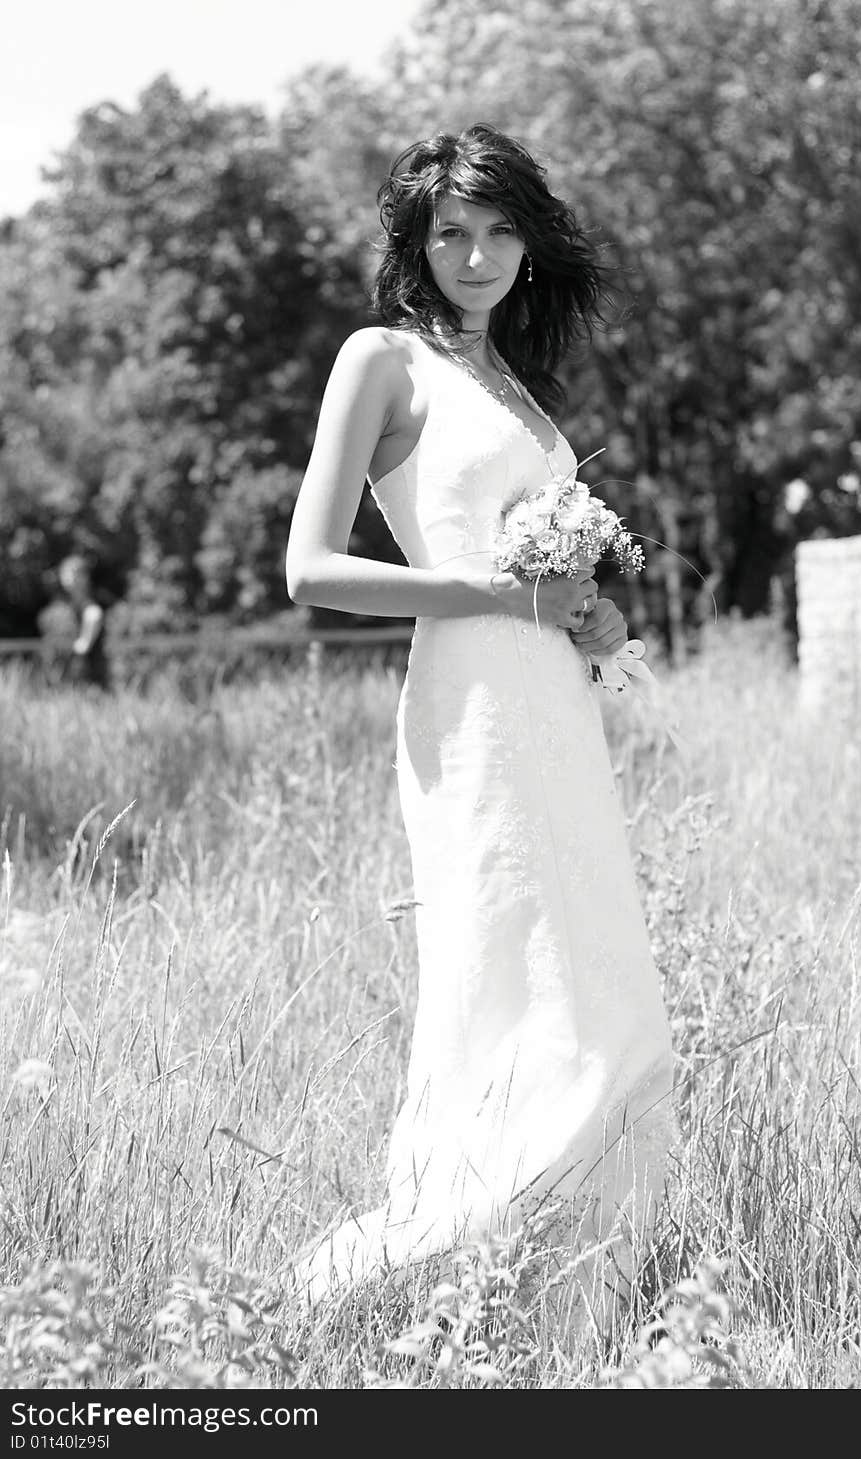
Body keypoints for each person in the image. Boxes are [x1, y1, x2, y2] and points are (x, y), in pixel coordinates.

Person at [285, 123, 675, 1332]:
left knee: (606, 999)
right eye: (451, 230)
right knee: (510, 989)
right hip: (469, 708)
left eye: (501, 229)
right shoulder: (380, 360)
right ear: (415, 239)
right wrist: (505, 597)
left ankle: (564, 1305)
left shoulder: (516, 384)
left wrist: (592, 616)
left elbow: (543, 568)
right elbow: (311, 569)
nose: (477, 253)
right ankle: (389, 1285)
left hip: (555, 708)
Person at [57, 555, 108, 689]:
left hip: (90, 679)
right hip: (75, 678)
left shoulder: (89, 606)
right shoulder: (71, 605)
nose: (68, 578)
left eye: (73, 573)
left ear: (85, 577)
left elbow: (94, 614)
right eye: (65, 573)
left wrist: (82, 642)